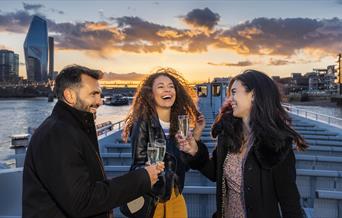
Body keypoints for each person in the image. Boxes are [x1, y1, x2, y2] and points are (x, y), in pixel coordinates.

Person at [22, 65, 164, 218]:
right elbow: (82, 201)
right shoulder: (58, 134)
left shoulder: (70, 129)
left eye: (100, 94)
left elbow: (84, 187)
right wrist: (142, 178)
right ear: (70, 96)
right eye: (94, 94)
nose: (100, 101)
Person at [177, 69, 308, 218]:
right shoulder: (228, 135)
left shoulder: (275, 145)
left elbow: (290, 204)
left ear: (253, 95)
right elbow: (215, 172)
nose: (229, 99)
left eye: (234, 92)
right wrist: (195, 151)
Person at [122, 67, 202, 218]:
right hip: (153, 199)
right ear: (151, 94)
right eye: (161, 87)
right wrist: (148, 168)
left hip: (175, 195)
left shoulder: (179, 124)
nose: (168, 90)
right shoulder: (142, 123)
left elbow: (184, 168)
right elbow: (136, 165)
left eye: (171, 86)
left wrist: (195, 138)